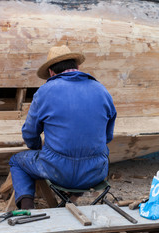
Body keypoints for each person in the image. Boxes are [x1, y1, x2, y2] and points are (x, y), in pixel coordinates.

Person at [9, 45, 117, 209]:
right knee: (98, 151)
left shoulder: (45, 92)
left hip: (57, 172)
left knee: (16, 161)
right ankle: (72, 198)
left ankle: (27, 208)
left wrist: (37, 148)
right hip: (95, 174)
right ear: (78, 67)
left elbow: (30, 134)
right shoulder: (102, 90)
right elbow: (108, 137)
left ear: (51, 72)